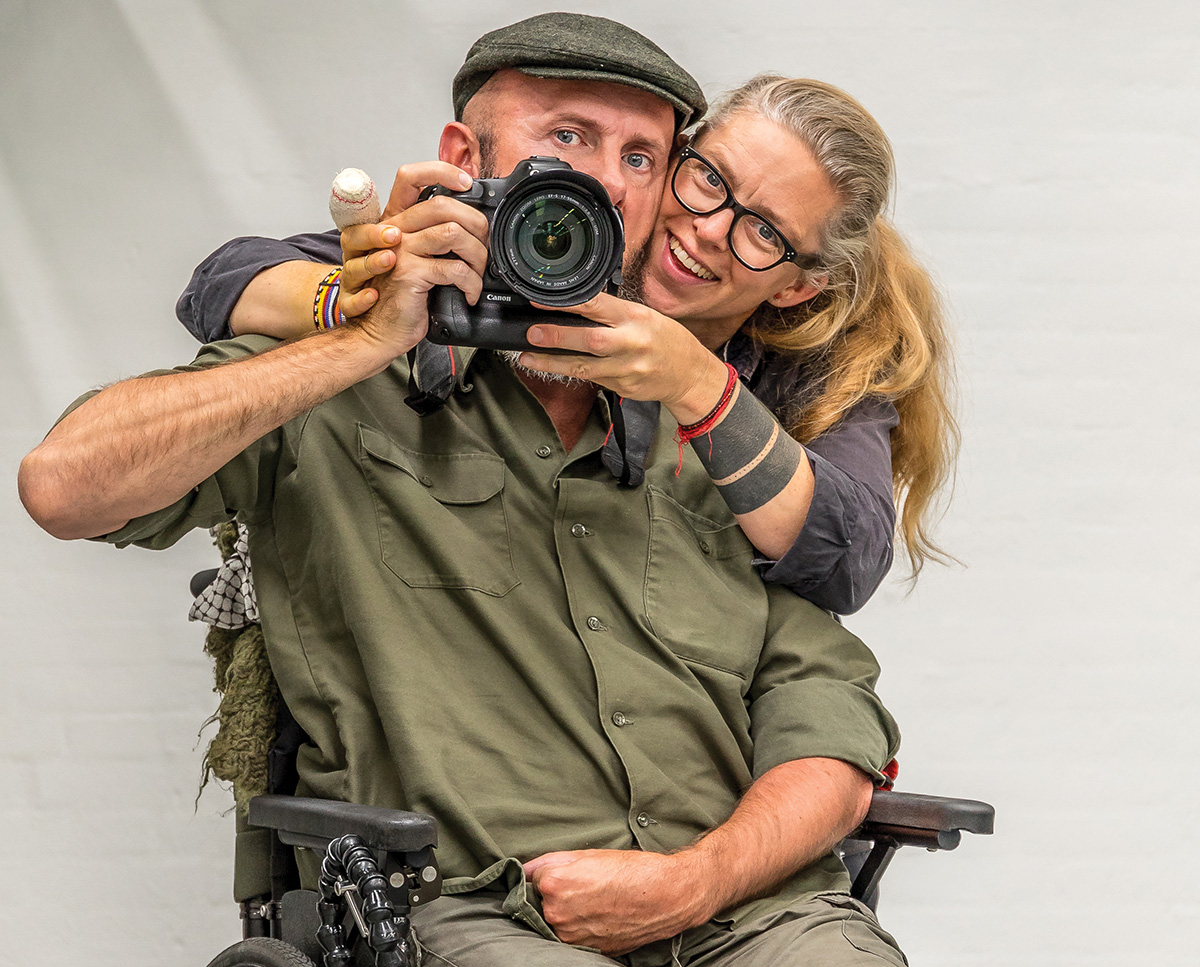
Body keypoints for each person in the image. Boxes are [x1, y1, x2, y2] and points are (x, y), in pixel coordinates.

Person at [19, 13, 954, 967]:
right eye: (568, 138)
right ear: (466, 159)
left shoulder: (730, 428)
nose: (607, 179)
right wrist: (364, 328)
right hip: (481, 915)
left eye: (642, 154)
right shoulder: (344, 382)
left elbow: (827, 713)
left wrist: (694, 881)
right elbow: (64, 484)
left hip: (754, 918)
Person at [177, 79, 957, 616]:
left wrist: (698, 385)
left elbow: (846, 562)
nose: (708, 228)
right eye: (707, 179)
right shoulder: (542, 241)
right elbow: (222, 282)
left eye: (763, 232)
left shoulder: (814, 373)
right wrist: (362, 295)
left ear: (794, 286)